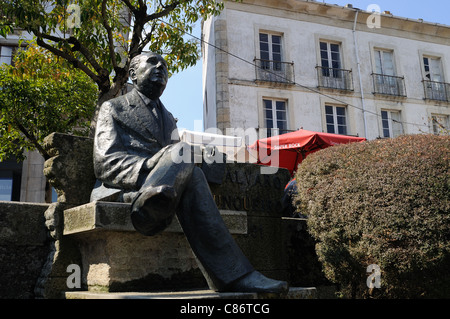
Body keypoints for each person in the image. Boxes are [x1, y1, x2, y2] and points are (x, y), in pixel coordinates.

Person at [90, 51, 288, 294]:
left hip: (162, 192)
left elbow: (177, 162)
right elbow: (104, 162)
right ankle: (235, 275)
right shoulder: (114, 107)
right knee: (184, 154)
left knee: (193, 168)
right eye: (152, 62)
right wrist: (150, 164)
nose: (160, 68)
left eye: (164, 65)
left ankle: (153, 206)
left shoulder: (168, 119)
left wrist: (208, 157)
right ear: (132, 74)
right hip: (124, 186)